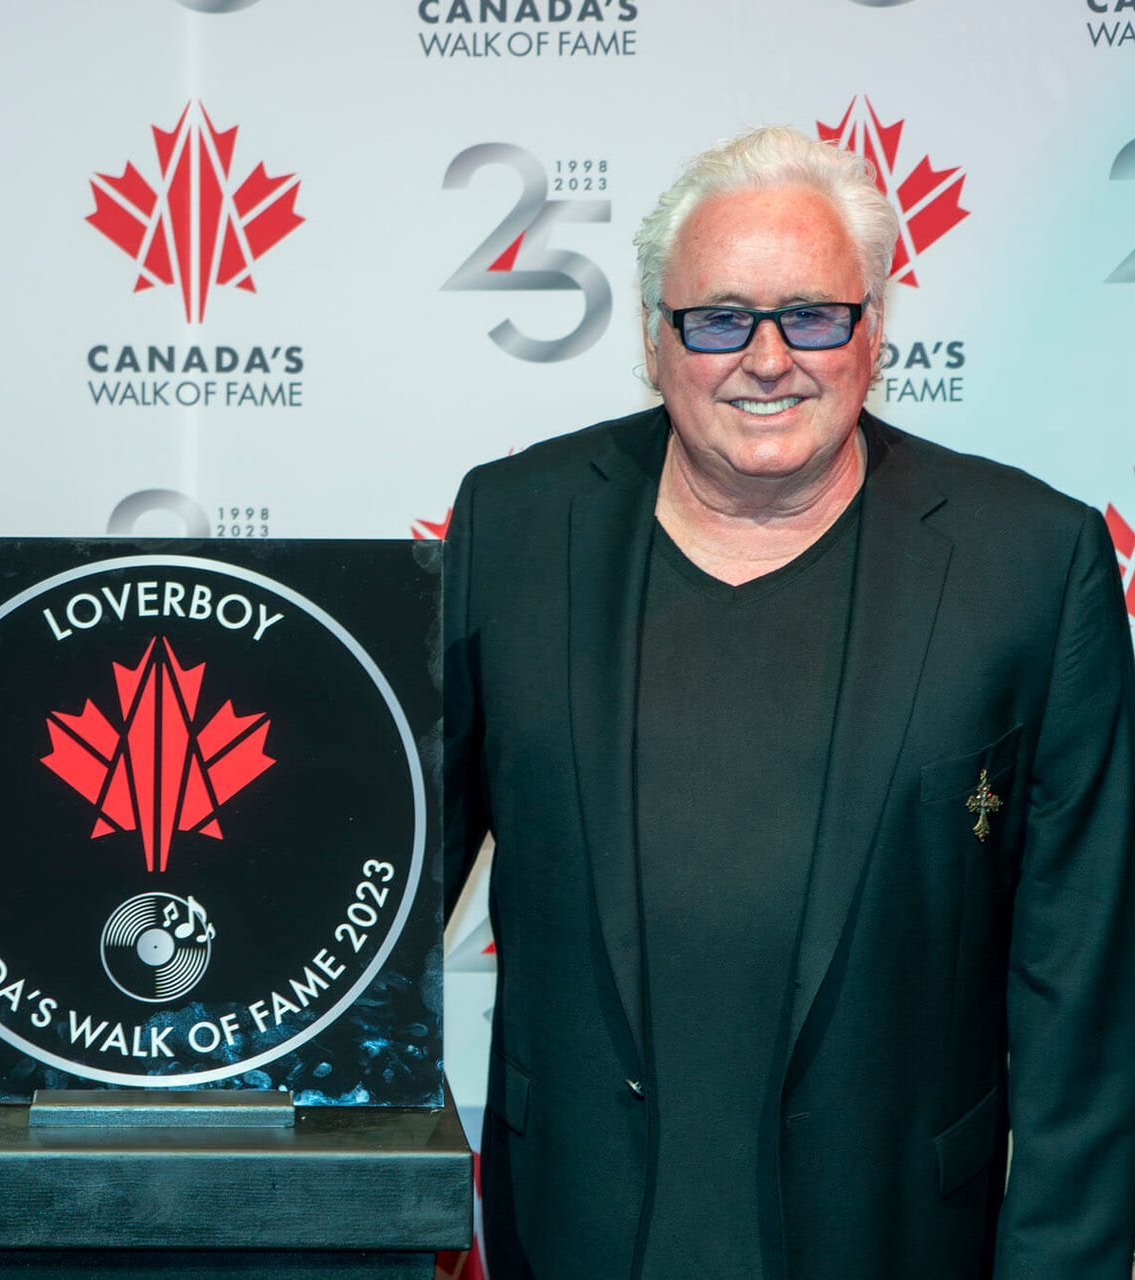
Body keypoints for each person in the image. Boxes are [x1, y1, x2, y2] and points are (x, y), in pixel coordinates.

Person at [443, 126, 1135, 1279]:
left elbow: (1086, 992)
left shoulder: (1032, 562)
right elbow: (391, 882)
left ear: (874, 332)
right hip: (574, 1230)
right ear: (655, 345)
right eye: (718, 320)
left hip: (897, 1236)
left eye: (813, 315)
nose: (768, 359)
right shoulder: (516, 527)